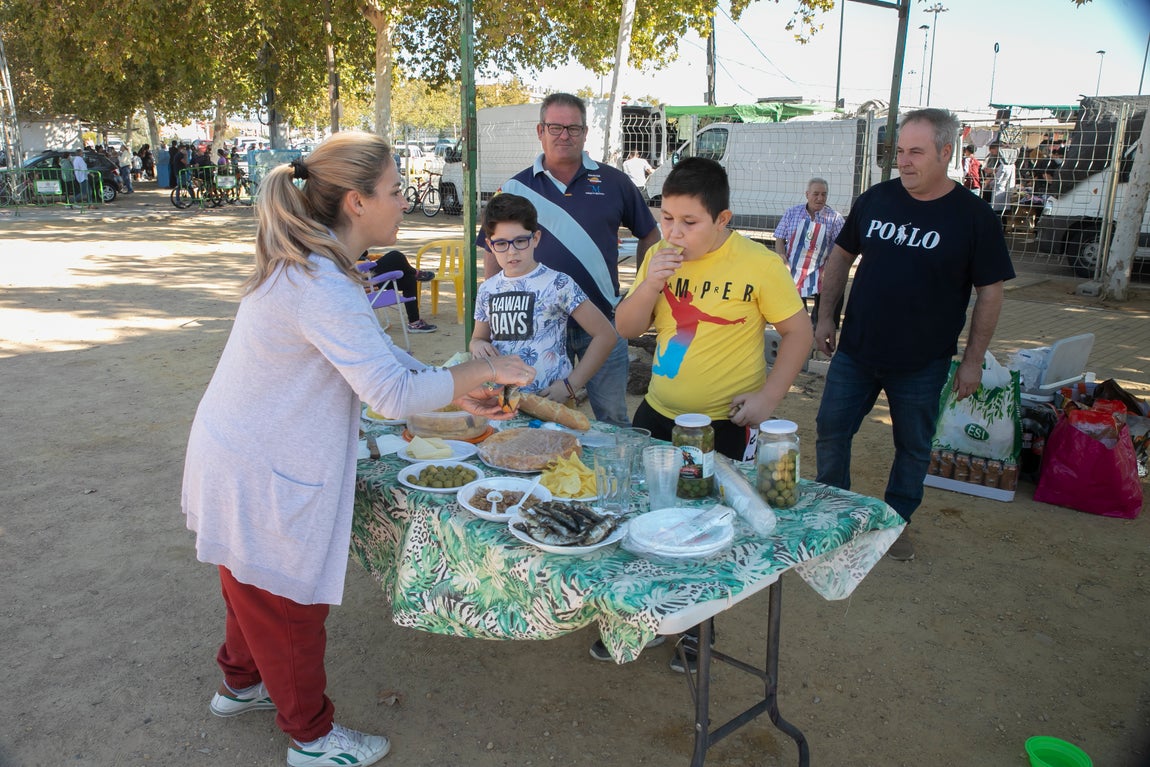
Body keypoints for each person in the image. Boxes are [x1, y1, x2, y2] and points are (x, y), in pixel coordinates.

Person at [181, 131, 535, 767]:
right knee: (287, 604)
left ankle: (241, 683)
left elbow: (378, 359)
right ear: (355, 202)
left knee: (251, 581)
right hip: (260, 467)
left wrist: (455, 395)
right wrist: (485, 371)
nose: (404, 202)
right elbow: (392, 393)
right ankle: (313, 740)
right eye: (395, 192)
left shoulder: (317, 267)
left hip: (241, 457)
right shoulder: (319, 281)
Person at [613, 156, 812, 671]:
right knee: (646, 515)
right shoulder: (660, 255)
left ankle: (698, 629)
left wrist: (768, 398)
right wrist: (651, 280)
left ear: (723, 219)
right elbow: (627, 327)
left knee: (703, 530)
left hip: (723, 425)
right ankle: (648, 620)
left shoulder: (759, 265)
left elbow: (798, 333)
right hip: (659, 414)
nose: (674, 232)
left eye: (689, 222)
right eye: (666, 218)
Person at [812, 108, 1015, 562]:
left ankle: (893, 524)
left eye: (916, 152)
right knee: (831, 429)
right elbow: (841, 259)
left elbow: (990, 294)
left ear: (946, 153)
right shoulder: (876, 200)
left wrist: (973, 360)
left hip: (924, 362)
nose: (904, 161)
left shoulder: (974, 217)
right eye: (900, 151)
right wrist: (824, 318)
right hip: (857, 351)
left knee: (913, 447)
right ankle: (833, 512)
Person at [482, 92, 661, 426]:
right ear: (540, 130)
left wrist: (639, 294)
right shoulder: (514, 188)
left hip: (604, 322)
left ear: (585, 132)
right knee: (537, 418)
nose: (564, 135)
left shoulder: (615, 182)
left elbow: (650, 236)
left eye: (573, 128)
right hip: (538, 331)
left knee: (612, 418)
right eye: (555, 127)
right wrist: (492, 320)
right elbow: (492, 255)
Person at [471, 193, 616, 401]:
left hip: (549, 403)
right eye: (501, 243)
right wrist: (476, 345)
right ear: (490, 244)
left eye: (520, 241)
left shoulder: (558, 284)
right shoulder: (488, 289)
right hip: (501, 401)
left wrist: (570, 385)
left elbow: (606, 335)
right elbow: (478, 338)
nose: (511, 252)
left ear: (536, 238)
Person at [773, 177, 845, 329]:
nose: (820, 198)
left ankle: (823, 325)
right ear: (807, 194)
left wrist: (829, 268)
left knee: (835, 283)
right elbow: (779, 238)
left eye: (824, 194)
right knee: (782, 280)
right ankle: (797, 326)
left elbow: (840, 247)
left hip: (821, 265)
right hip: (794, 264)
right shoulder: (792, 213)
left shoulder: (835, 218)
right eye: (816, 194)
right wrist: (782, 259)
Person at [360, 249, 438, 333]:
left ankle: (414, 323)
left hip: (369, 273)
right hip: (359, 276)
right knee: (395, 255)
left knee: (409, 279)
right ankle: (416, 272)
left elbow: (363, 254)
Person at [981, 140, 1016, 213]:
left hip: (998, 190)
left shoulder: (1003, 164)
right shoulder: (1011, 165)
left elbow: (999, 179)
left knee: (997, 211)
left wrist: (990, 182)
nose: (993, 154)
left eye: (993, 152)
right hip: (1004, 191)